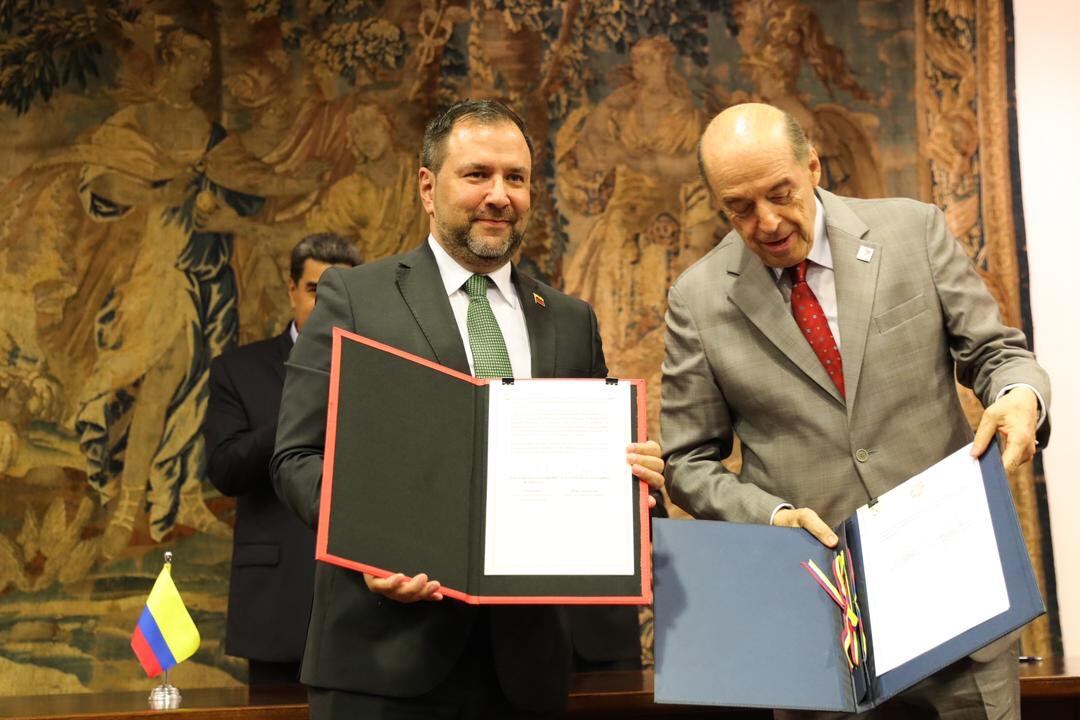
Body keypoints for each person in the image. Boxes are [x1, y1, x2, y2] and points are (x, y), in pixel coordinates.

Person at [271, 100, 666, 719]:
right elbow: (297, 455)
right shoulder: (358, 297)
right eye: (477, 174)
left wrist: (632, 483)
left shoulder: (568, 320)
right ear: (428, 187)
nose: (499, 195)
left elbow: (594, 474)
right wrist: (364, 542)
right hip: (381, 664)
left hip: (525, 673)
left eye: (515, 178)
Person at [660, 103, 1050, 719]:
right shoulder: (698, 299)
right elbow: (687, 462)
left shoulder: (913, 232)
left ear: (812, 165)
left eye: (780, 192)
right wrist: (771, 515)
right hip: (820, 627)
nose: (765, 222)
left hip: (959, 601)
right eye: (740, 206)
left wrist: (1017, 396)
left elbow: (998, 353)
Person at [203, 234, 361, 685]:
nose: (326, 304)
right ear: (292, 290)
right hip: (277, 607)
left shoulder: (383, 368)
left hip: (367, 607)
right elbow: (226, 470)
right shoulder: (237, 370)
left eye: (339, 293)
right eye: (315, 290)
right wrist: (304, 410)